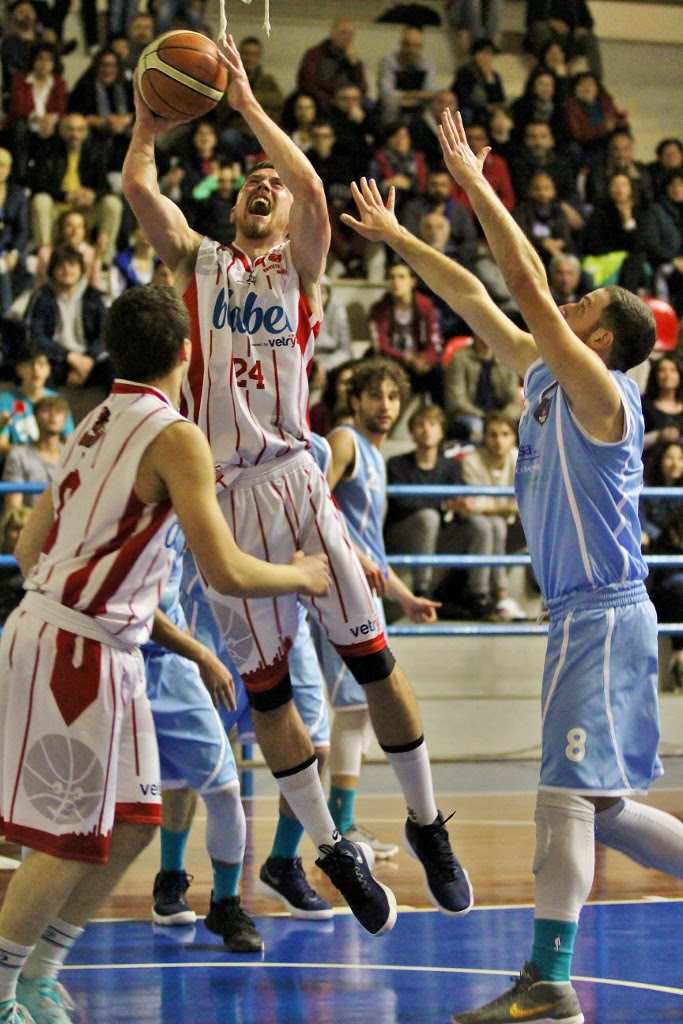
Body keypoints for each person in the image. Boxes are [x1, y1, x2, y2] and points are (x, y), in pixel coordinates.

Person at [123, 34, 474, 938]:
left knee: (373, 661)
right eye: (249, 178)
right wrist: (145, 124)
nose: (262, 184)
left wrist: (245, 102)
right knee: (269, 695)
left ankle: (428, 822)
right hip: (224, 501)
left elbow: (314, 191)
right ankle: (331, 846)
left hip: (294, 480)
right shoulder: (195, 262)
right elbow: (139, 191)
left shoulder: (298, 269)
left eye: (270, 184)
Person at [340, 107, 683, 1023]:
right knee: (601, 807)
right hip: (585, 617)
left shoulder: (600, 393)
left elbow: (525, 282)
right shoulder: (541, 373)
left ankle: (548, 983)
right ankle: (547, 980)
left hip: (603, 611)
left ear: (601, 338)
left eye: (577, 309)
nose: (559, 306)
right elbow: (477, 300)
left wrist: (473, 180)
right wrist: (401, 234)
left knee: (561, 800)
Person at [0, 282, 331, 1024]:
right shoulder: (174, 435)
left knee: (136, 819)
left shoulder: (90, 422)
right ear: (189, 351)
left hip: (96, 639)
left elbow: (26, 547)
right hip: (77, 645)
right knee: (65, 835)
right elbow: (226, 571)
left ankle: (39, 972)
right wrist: (304, 574)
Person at [312, 359, 442, 859]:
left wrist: (405, 597)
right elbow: (315, 503)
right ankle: (339, 828)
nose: (384, 405)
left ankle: (342, 824)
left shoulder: (378, 457)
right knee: (352, 708)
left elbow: (369, 548)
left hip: (361, 593)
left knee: (358, 711)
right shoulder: (344, 440)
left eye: (392, 396)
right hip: (334, 589)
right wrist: (359, 562)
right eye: (375, 395)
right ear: (356, 400)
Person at [385, 402, 462, 599]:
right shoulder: (396, 464)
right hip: (402, 534)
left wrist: (463, 505)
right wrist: (444, 504)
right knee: (428, 517)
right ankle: (422, 588)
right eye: (420, 424)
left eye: (432, 424)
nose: (426, 429)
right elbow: (403, 505)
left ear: (441, 432)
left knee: (482, 525)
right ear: (412, 432)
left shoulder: (451, 466)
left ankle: (481, 594)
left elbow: (460, 499)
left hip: (440, 533)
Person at [459, 413, 527, 620]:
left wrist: (494, 506)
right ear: (483, 438)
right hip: (472, 528)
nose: (499, 441)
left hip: (515, 527)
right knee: (492, 525)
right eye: (493, 435)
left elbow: (529, 502)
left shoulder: (521, 459)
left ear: (514, 437)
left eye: (505, 434)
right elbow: (475, 506)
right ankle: (491, 594)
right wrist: (507, 506)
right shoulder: (471, 461)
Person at [25, 244, 112, 390]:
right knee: (40, 366)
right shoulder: (42, 296)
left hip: (90, 360)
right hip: (56, 359)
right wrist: (70, 357)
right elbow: (35, 336)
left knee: (115, 368)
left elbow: (107, 334)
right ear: (52, 270)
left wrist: (88, 359)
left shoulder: (93, 297)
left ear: (81, 269)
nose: (67, 270)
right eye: (61, 266)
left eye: (72, 265)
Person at [368, 261, 444, 402]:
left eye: (402, 277)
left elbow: (434, 341)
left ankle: (437, 419)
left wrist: (425, 359)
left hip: (418, 363)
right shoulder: (379, 309)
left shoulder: (425, 306)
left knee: (439, 373)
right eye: (392, 277)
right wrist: (407, 359)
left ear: (412, 281)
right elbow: (381, 346)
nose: (396, 282)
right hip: (392, 361)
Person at [444, 332, 521, 442]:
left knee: (524, 425)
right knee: (478, 428)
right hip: (470, 414)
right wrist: (486, 418)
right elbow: (457, 400)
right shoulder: (460, 358)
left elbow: (514, 401)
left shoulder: (505, 358)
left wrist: (502, 418)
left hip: (501, 415)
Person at [0, 342, 74, 456]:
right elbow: (2, 445)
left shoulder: (57, 401)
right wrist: (35, 455)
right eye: (30, 364)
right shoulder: (4, 401)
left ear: (48, 370)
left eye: (41, 364)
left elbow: (70, 441)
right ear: (19, 369)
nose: (36, 369)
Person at [1, 393, 69, 509]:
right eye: (46, 411)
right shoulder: (19, 455)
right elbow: (14, 508)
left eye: (58, 411)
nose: (53, 415)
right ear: (35, 416)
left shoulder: (73, 455)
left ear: (65, 418)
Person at [297, 18, 369, 113]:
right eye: (343, 32)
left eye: (350, 34)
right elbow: (307, 84)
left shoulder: (353, 58)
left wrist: (356, 64)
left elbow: (363, 88)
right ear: (332, 33)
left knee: (369, 105)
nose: (347, 37)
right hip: (324, 98)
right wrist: (332, 101)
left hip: (349, 98)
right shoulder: (315, 54)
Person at [377, 26, 437, 128]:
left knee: (438, 103)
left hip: (417, 103)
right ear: (401, 45)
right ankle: (390, 132)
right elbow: (386, 92)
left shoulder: (427, 63)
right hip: (395, 103)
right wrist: (416, 95)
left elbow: (430, 92)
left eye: (416, 46)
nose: (411, 50)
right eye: (408, 45)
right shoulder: (389, 61)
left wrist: (407, 97)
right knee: (389, 102)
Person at [641, 354, 683, 451]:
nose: (667, 375)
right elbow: (633, 441)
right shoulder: (643, 405)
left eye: (673, 370)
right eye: (662, 370)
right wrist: (658, 436)